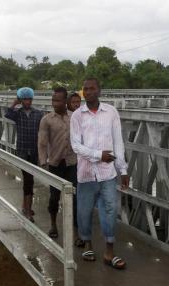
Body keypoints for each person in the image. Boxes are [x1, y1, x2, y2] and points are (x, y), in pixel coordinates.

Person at [70, 78, 129, 270]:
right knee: (84, 211)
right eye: (85, 89)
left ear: (99, 91)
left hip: (108, 173)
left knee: (110, 210)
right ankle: (87, 244)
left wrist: (123, 169)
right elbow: (76, 145)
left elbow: (118, 141)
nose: (88, 92)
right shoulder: (77, 116)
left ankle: (109, 251)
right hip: (86, 173)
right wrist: (98, 155)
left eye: (92, 88)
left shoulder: (111, 112)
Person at [38, 87, 82, 244]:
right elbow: (42, 143)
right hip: (55, 163)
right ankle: (53, 224)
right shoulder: (47, 119)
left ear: (65, 101)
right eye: (53, 100)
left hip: (72, 162)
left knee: (75, 198)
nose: (55, 103)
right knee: (54, 196)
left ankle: (76, 233)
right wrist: (43, 163)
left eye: (58, 100)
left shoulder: (75, 117)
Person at [5, 87, 43, 221]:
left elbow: (43, 131)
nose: (27, 101)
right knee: (28, 180)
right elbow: (7, 113)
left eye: (29, 99)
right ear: (21, 100)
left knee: (29, 179)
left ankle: (25, 206)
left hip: (34, 151)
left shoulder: (38, 114)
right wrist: (15, 103)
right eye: (24, 99)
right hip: (21, 151)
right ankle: (27, 210)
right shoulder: (17, 114)